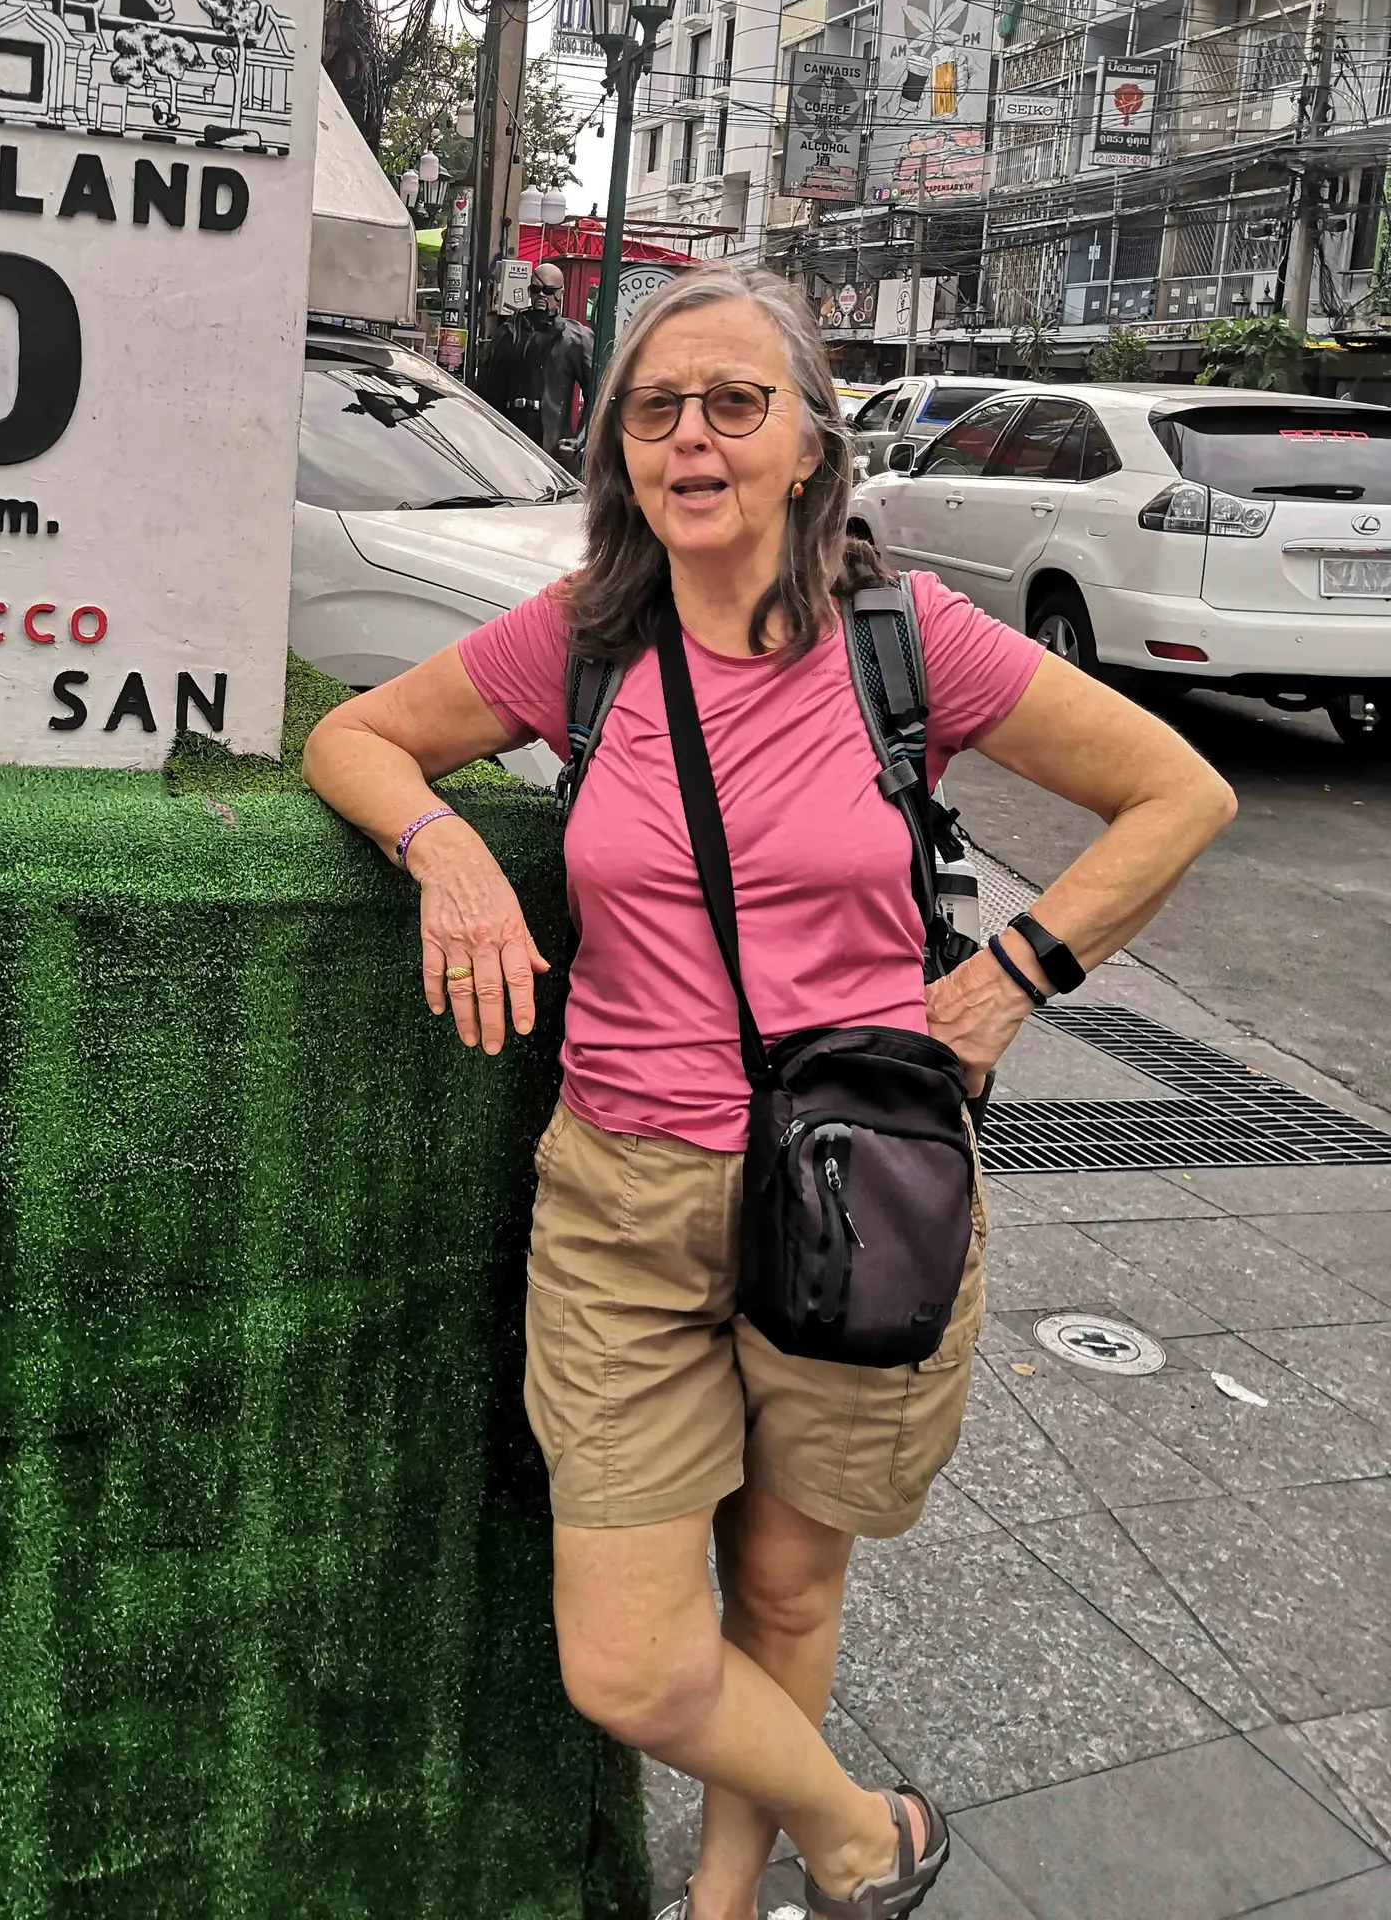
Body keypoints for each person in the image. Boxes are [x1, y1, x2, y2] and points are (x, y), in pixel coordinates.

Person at [303, 267, 1233, 1920]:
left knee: (791, 1593)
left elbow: (1177, 794)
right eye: (656, 409)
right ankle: (867, 1835)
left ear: (811, 445)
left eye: (736, 403)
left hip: (855, 1182)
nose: (693, 438)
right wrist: (446, 849)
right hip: (625, 1197)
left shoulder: (905, 642)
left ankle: (731, 1902)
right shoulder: (584, 642)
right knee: (628, 1661)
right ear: (617, 449)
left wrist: (1008, 981)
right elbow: (357, 740)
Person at [476, 261, 595, 459]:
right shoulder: (510, 333)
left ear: (560, 293)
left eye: (548, 290)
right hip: (510, 436)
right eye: (536, 290)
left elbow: (596, 393)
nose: (541, 295)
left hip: (553, 441)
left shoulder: (576, 338)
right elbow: (488, 388)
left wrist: (581, 438)